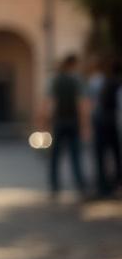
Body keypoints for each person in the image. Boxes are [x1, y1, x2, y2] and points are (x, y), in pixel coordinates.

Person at [41, 53, 88, 198]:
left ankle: (54, 187)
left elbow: (50, 103)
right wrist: (84, 125)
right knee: (75, 155)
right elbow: (81, 104)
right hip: (72, 121)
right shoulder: (76, 80)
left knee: (55, 156)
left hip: (58, 122)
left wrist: (45, 123)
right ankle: (81, 187)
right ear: (73, 64)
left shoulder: (54, 80)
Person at [86, 55, 120, 197]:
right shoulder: (113, 82)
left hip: (102, 122)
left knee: (102, 154)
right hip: (111, 122)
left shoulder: (100, 81)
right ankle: (111, 184)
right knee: (114, 154)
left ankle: (104, 186)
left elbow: (92, 103)